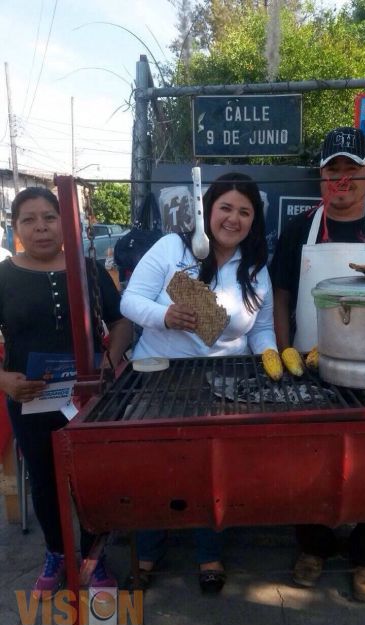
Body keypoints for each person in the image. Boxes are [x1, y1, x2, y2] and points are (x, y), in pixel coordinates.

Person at [270, 127, 365, 602]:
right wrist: (283, 348)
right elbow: (282, 294)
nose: (342, 180)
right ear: (321, 178)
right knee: (307, 462)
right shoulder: (299, 230)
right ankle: (313, 546)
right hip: (309, 364)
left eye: (351, 170)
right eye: (332, 170)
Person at [120, 172, 278, 594]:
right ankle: (148, 548)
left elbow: (260, 329)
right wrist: (164, 316)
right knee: (157, 466)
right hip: (160, 374)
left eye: (244, 212)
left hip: (226, 379)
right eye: (225, 207)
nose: (234, 218)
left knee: (214, 469)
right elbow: (129, 300)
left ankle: (209, 551)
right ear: (208, 210)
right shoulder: (173, 248)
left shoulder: (256, 266)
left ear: (253, 220)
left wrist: (270, 356)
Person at [0, 187, 132, 600]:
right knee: (44, 479)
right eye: (29, 219)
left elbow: (120, 320)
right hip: (29, 396)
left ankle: (94, 558)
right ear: (16, 227)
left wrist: (109, 358)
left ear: (65, 222)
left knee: (90, 478)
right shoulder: (4, 276)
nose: (41, 227)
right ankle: (56, 553)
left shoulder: (88, 268)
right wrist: (4, 380)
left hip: (89, 395)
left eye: (49, 217)